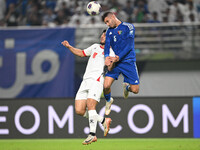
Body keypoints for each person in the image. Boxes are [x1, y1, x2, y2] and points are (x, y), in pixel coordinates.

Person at [61, 30, 114, 145]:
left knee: (90, 106)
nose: (102, 36)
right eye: (102, 34)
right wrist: (69, 47)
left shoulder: (111, 52)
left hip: (97, 80)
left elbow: (111, 68)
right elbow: (81, 53)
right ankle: (103, 120)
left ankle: (92, 134)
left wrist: (110, 63)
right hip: (85, 81)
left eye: (105, 35)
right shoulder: (95, 46)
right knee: (79, 110)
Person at [102, 12, 140, 115]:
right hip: (115, 62)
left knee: (135, 90)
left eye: (107, 21)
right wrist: (106, 57)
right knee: (106, 86)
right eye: (106, 23)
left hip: (128, 61)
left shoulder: (128, 27)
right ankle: (109, 101)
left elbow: (129, 45)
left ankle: (127, 87)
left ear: (113, 17)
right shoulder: (109, 31)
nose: (107, 24)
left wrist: (118, 57)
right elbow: (107, 46)